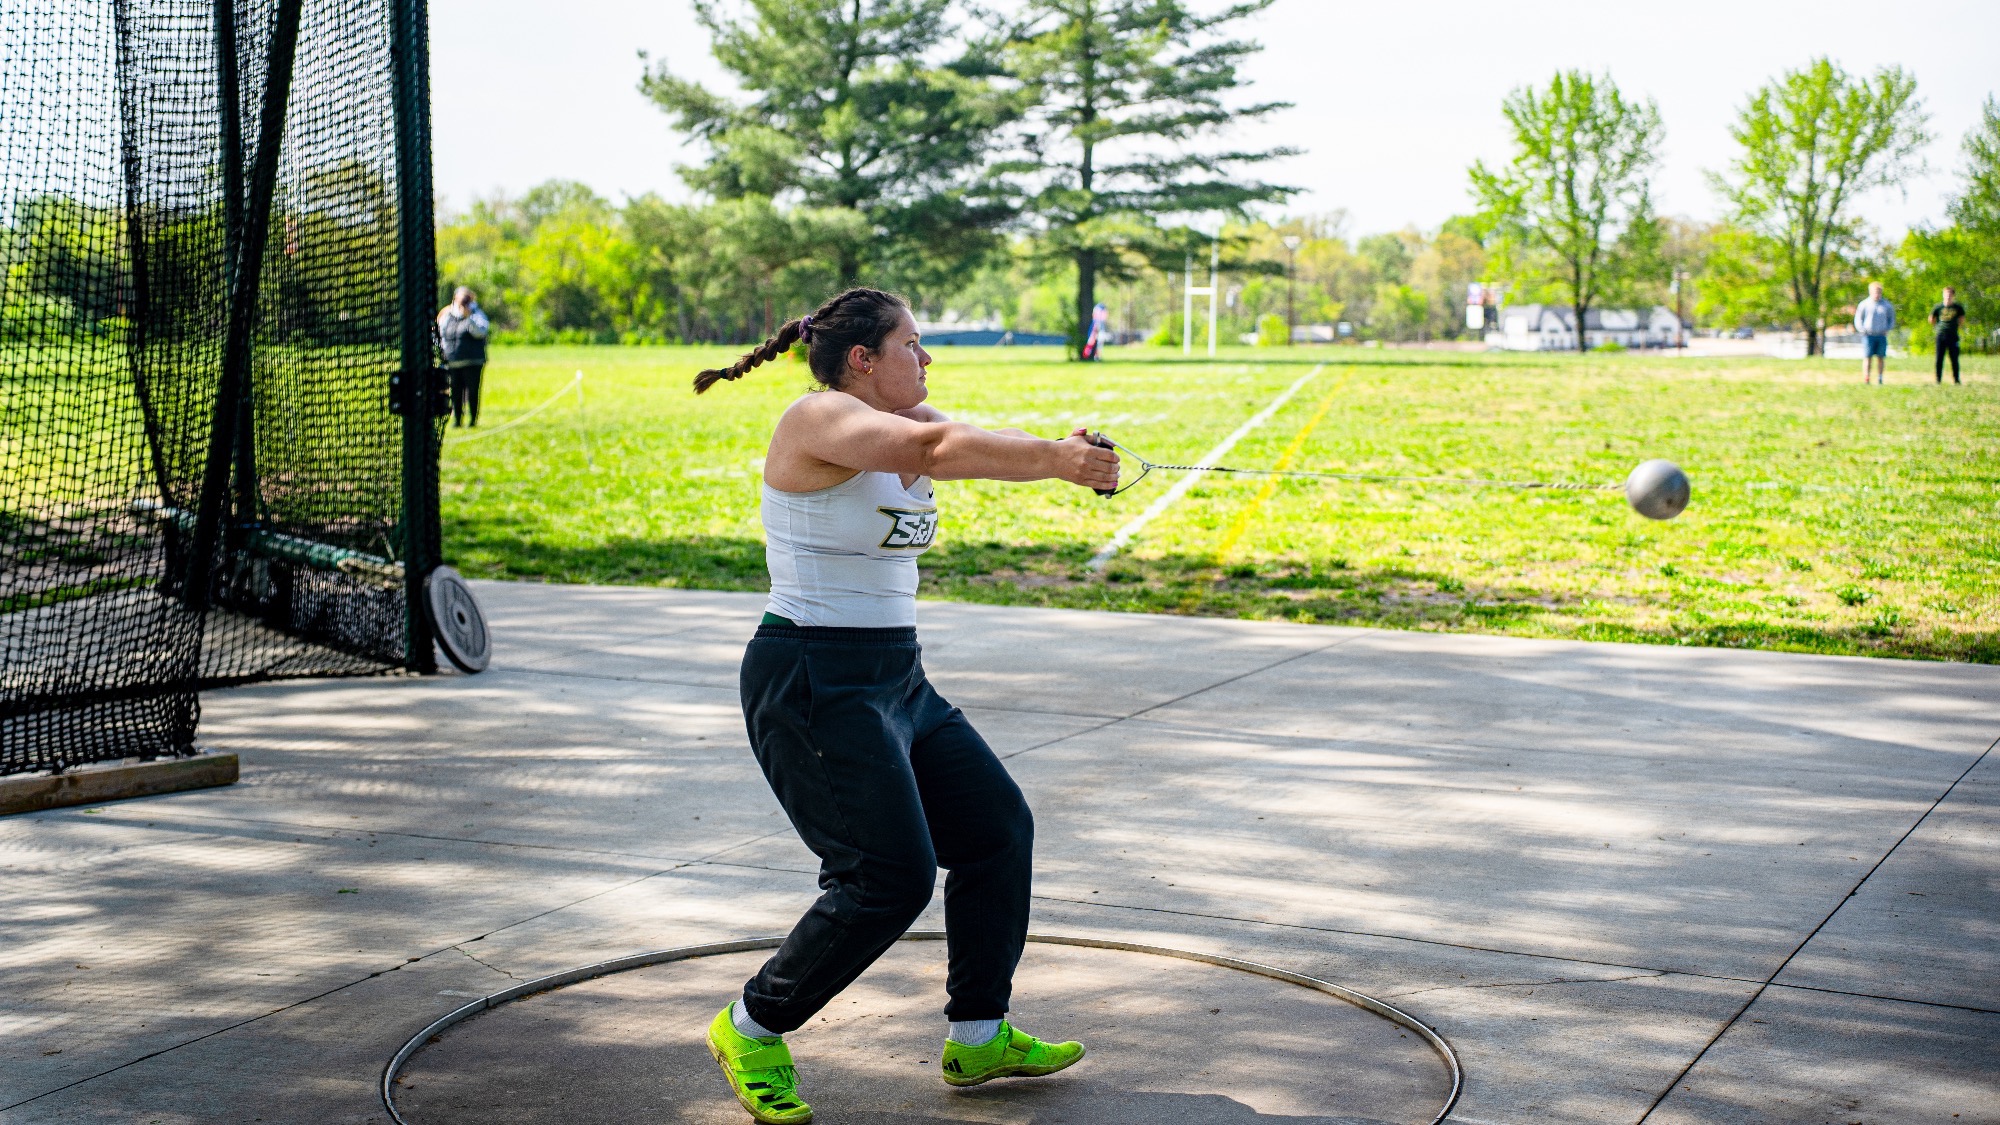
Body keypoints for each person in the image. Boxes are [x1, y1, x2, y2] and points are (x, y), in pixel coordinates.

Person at [691, 287, 1116, 1124]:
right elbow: (937, 444)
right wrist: (1060, 464)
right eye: (912, 344)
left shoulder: (908, 416)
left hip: (897, 678)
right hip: (811, 675)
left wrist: (1059, 448)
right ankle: (753, 1025)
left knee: (996, 828)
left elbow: (965, 437)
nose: (925, 359)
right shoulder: (817, 419)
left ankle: (979, 1031)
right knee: (886, 878)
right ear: (863, 359)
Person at [437, 287, 489, 426]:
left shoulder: (477, 314)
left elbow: (481, 332)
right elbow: (441, 335)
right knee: (456, 391)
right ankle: (457, 419)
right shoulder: (447, 315)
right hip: (453, 361)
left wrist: (468, 318)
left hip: (473, 361)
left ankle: (472, 420)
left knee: (472, 391)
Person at [1853, 282, 1894, 384]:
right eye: (1875, 292)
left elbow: (1891, 319)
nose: (1877, 294)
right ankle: (1867, 378)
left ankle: (1880, 378)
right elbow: (1858, 319)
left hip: (1881, 335)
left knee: (1881, 357)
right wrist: (1862, 330)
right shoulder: (1864, 304)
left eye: (1879, 292)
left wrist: (1887, 329)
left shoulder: (1886, 305)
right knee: (1867, 357)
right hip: (1868, 335)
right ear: (1870, 292)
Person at [1929, 286, 1968, 385]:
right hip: (1941, 335)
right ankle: (1938, 379)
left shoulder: (1957, 307)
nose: (1948, 296)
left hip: (1952, 335)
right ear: (1943, 295)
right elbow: (1931, 319)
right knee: (1939, 358)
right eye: (1946, 294)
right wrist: (1937, 327)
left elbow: (1962, 319)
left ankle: (1956, 379)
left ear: (1953, 295)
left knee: (1954, 358)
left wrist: (1955, 326)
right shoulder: (1938, 307)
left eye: (1950, 294)